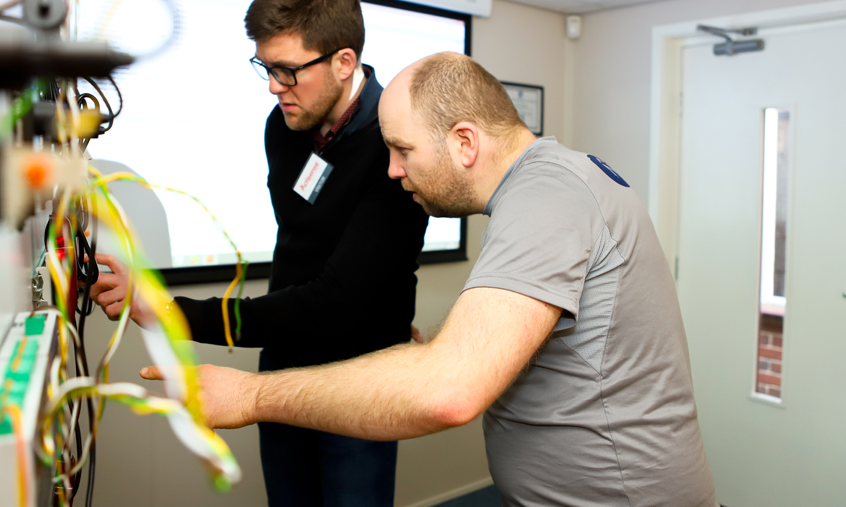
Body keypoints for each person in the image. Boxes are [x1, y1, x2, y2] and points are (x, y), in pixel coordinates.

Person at [162, 52, 718, 507]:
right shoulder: (552, 182)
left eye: (403, 150)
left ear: (464, 142)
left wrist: (251, 395)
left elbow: (448, 393)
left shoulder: (547, 198)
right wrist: (440, 347)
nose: (392, 169)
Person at [90, 0, 429, 507]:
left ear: (344, 62)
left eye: (288, 71)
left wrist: (169, 311)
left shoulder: (396, 148)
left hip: (359, 377)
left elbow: (335, 302)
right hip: (285, 360)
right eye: (266, 68)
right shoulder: (285, 125)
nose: (274, 87)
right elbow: (302, 244)